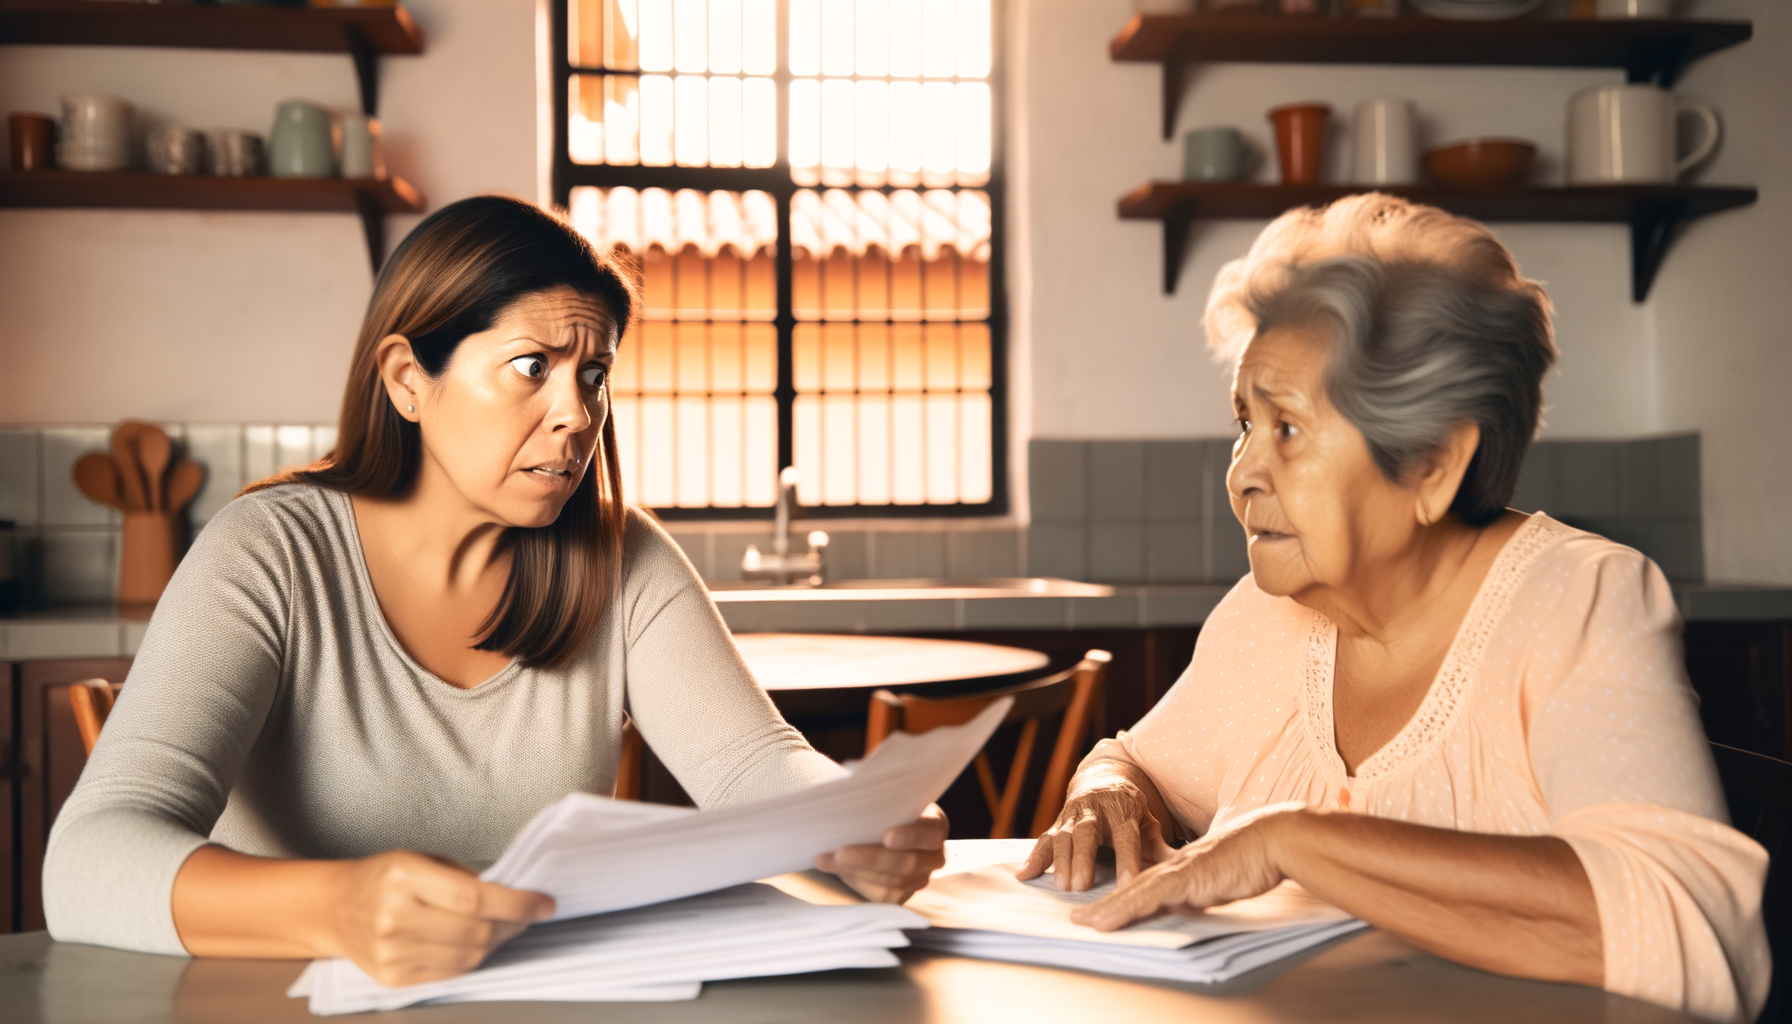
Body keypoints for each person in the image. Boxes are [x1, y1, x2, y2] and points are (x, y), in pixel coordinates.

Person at [44, 196, 945, 987]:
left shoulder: (624, 558)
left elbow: (751, 766)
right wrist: (340, 905)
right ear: (408, 380)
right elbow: (87, 861)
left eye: (594, 375)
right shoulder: (270, 554)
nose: (576, 414)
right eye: (532, 367)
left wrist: (853, 818)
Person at [1019, 194, 1769, 1023]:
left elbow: (1689, 929)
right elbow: (1141, 765)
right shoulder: (1269, 617)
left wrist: (1295, 840)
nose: (1242, 475)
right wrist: (1106, 786)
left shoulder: (1578, 600)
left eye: (1289, 430)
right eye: (1244, 423)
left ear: (1434, 466)